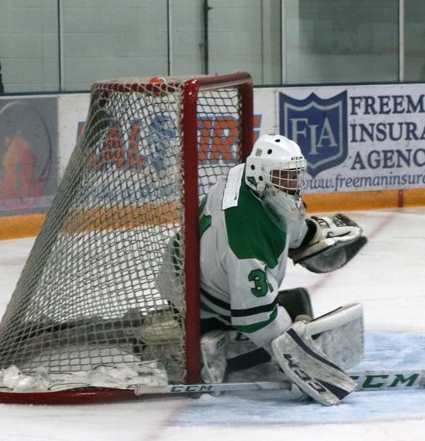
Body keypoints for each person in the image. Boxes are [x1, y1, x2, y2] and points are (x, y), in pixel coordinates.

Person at [155, 134, 368, 405]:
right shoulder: (245, 237)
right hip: (199, 300)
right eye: (285, 177)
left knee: (295, 302)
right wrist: (300, 358)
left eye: (295, 176)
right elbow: (253, 318)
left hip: (190, 274)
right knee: (293, 312)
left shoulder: (247, 179)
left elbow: (283, 220)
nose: (293, 184)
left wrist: (309, 236)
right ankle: (210, 346)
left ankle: (209, 334)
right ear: (261, 174)